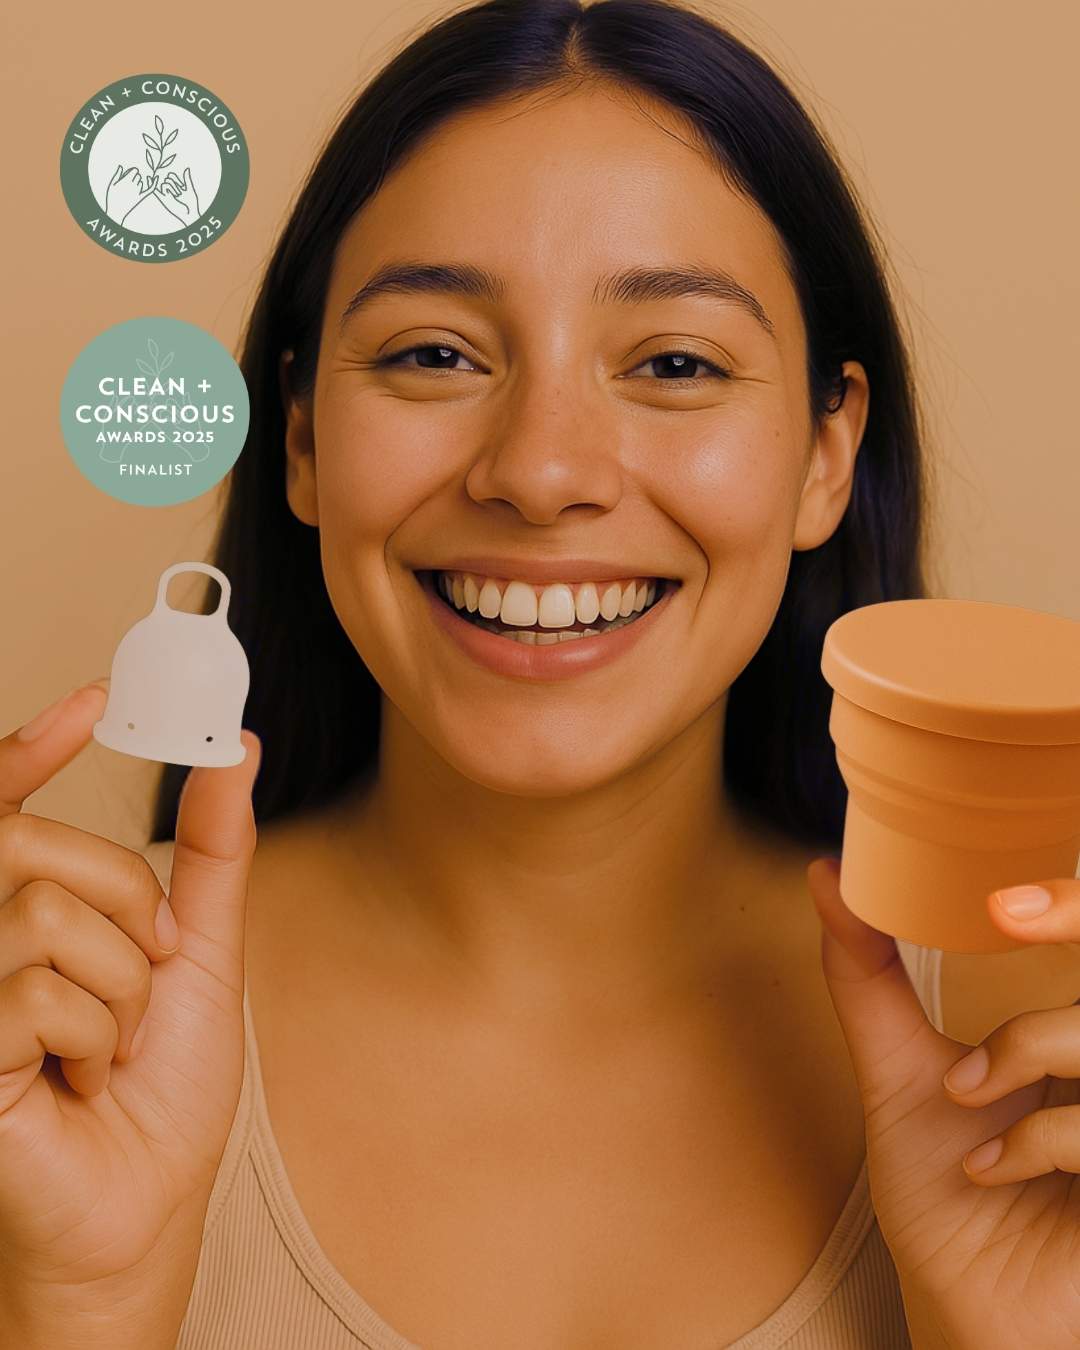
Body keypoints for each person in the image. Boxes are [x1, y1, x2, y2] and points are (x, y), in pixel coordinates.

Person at [18, 2, 1074, 1347]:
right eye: (434, 355)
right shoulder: (50, 1035)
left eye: (677, 362)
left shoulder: (1027, 1048)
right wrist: (79, 1303)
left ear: (825, 453)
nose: (541, 468)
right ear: (299, 439)